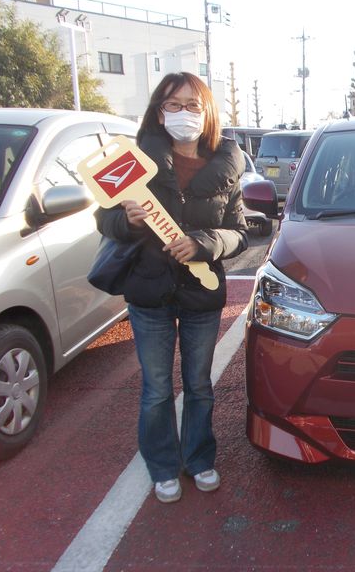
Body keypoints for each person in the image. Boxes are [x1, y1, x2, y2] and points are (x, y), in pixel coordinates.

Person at [94, 72, 248, 503]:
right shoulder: (134, 159)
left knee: (199, 384)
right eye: (173, 105)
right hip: (149, 292)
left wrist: (204, 243)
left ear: (207, 111)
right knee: (157, 387)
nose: (184, 114)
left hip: (201, 293)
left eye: (192, 105)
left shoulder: (227, 164)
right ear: (159, 113)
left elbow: (239, 234)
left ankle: (199, 458)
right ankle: (162, 466)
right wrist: (126, 220)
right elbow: (104, 220)